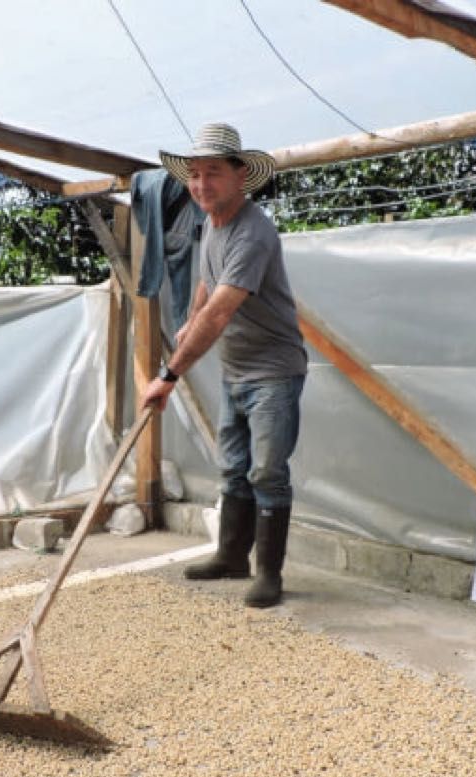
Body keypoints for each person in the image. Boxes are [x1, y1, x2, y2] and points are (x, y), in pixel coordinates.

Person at [140, 123, 307, 608]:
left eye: (212, 173)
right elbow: (204, 293)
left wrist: (169, 376)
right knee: (232, 469)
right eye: (193, 174)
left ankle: (268, 575)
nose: (200, 185)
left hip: (273, 372)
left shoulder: (253, 231)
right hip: (236, 369)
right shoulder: (211, 225)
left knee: (267, 473)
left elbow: (221, 310)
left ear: (240, 177)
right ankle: (231, 556)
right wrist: (187, 328)